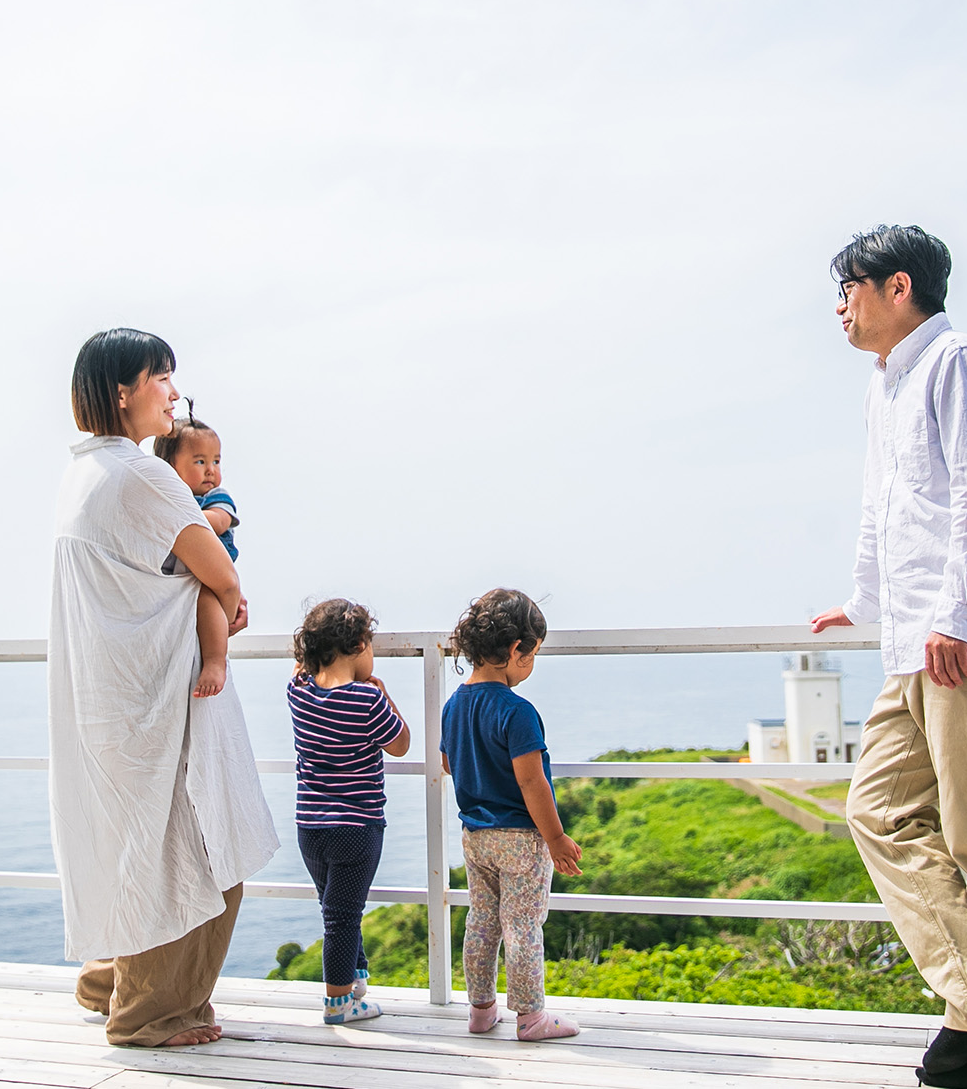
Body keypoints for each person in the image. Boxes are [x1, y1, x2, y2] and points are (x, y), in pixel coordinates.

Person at [809, 226, 967, 1089]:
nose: (839, 306)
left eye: (849, 288)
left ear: (897, 285)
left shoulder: (962, 363)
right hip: (913, 642)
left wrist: (956, 613)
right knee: (874, 810)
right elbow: (888, 507)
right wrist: (864, 602)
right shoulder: (887, 386)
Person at [48, 328, 279, 1049]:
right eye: (162, 379)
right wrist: (228, 594)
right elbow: (223, 571)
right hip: (160, 697)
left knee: (139, 848)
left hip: (110, 700)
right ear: (124, 391)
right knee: (205, 851)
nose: (173, 393)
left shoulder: (80, 475)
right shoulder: (141, 475)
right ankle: (151, 1012)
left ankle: (108, 979)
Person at [439, 588, 582, 1042]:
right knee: (522, 926)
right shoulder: (518, 711)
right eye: (533, 654)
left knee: (482, 922)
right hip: (521, 837)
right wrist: (556, 838)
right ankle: (530, 1017)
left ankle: (481, 1011)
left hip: (475, 836)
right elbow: (531, 782)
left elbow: (448, 763)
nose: (531, 666)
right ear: (517, 649)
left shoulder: (454, 705)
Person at [286, 598, 411, 1024]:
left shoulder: (298, 693)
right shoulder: (366, 701)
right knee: (343, 916)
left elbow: (301, 673)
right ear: (360, 644)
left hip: (310, 828)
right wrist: (383, 692)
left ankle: (355, 979)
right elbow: (400, 744)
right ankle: (338, 1002)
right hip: (357, 829)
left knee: (334, 905)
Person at [152, 407, 239, 698]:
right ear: (168, 466)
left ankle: (215, 662)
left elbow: (220, 520)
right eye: (200, 461)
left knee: (206, 601)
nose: (211, 470)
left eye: (215, 461)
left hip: (206, 577)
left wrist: (180, 518)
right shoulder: (163, 496)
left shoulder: (214, 496)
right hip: (175, 578)